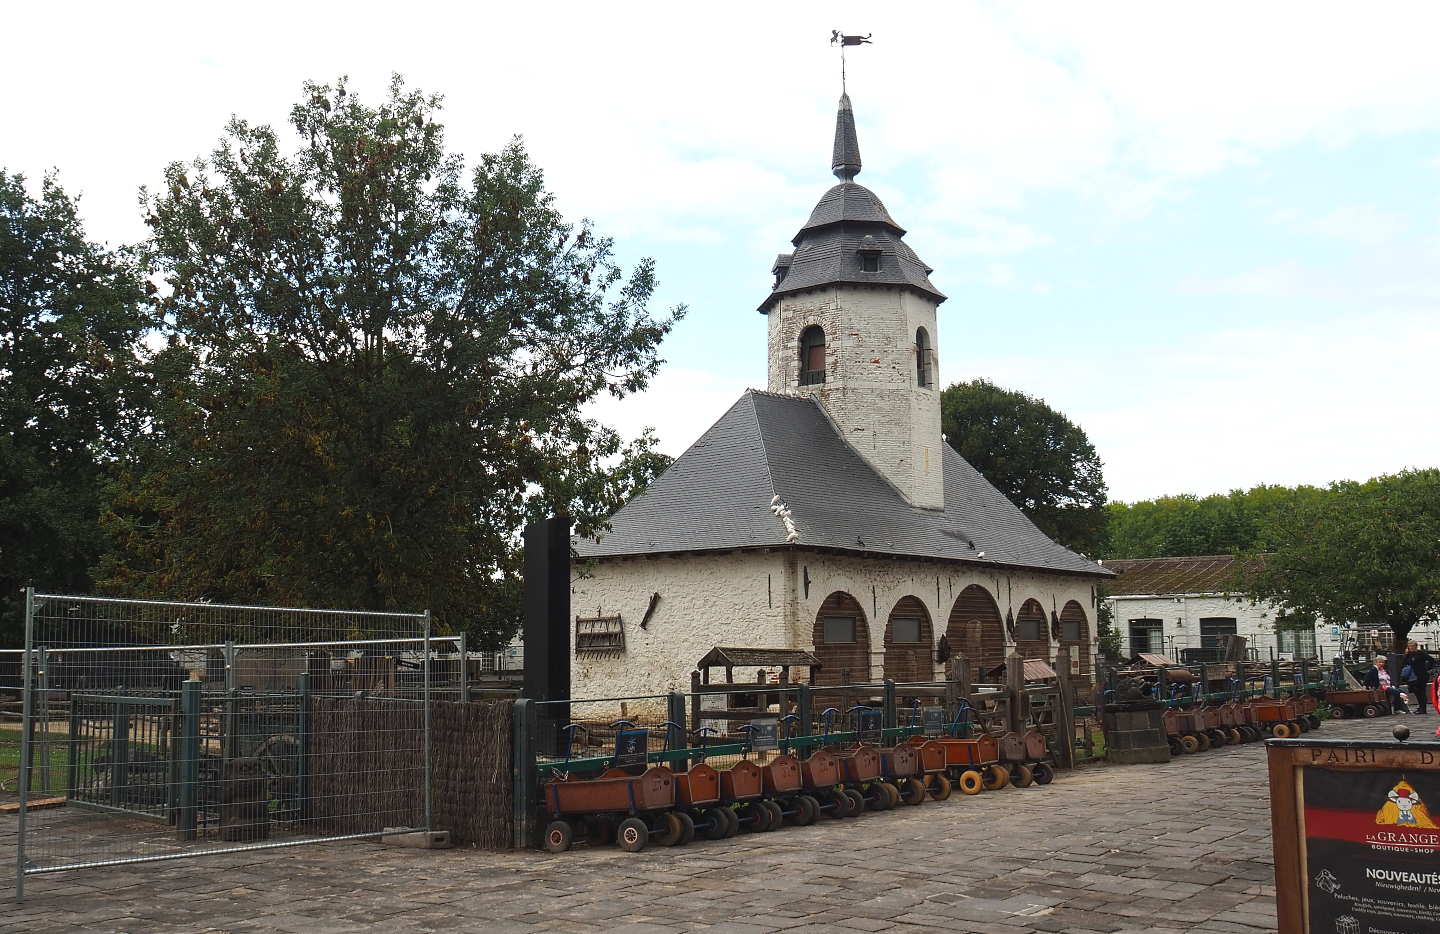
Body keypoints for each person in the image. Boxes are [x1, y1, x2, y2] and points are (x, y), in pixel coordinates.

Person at [1403, 641, 1435, 716]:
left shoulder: (1421, 654)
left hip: (1421, 674)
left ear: (1415, 646)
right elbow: (1405, 662)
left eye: (1412, 646)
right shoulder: (1409, 655)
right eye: (1409, 646)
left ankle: (1423, 708)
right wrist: (1407, 654)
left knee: (1421, 691)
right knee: (1415, 691)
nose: (1411, 648)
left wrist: (1428, 669)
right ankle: (1420, 706)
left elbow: (1431, 660)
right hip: (1412, 675)